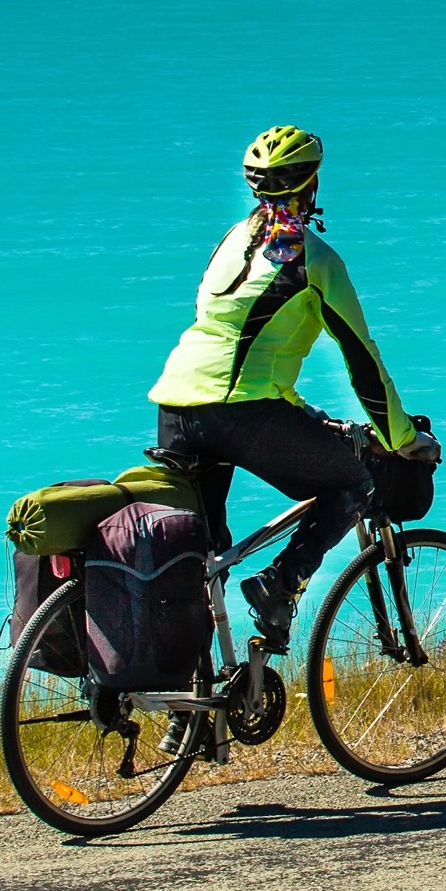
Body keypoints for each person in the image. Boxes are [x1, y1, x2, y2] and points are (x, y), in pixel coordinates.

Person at [148, 126, 415, 652]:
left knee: (199, 561)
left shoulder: (230, 241)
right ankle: (281, 585)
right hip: (240, 414)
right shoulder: (317, 263)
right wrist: (402, 438)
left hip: (176, 405)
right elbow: (363, 362)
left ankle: (193, 712)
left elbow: (233, 343)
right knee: (356, 482)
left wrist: (301, 410)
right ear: (312, 185)